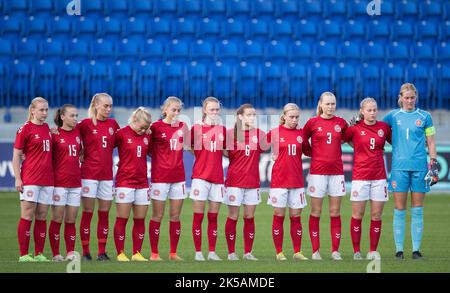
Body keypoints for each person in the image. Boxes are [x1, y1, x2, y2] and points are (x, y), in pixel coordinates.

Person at [383, 83, 438, 260]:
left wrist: (433, 162)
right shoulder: (392, 116)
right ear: (400, 97)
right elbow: (376, 130)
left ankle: (415, 250)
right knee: (399, 209)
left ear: (416, 97)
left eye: (412, 98)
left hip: (420, 168)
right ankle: (399, 250)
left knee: (417, 209)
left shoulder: (425, 117)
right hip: (399, 168)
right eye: (406, 98)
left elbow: (430, 142)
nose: (409, 101)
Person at [344, 98, 392, 260]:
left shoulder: (384, 128)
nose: (372, 113)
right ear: (362, 111)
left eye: (374, 110)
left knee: (376, 215)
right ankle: (356, 251)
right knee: (358, 214)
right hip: (360, 177)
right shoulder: (355, 129)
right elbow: (342, 138)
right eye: (369, 110)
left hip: (379, 177)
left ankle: (372, 250)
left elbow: (396, 143)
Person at [303, 92, 348, 261]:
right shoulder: (312, 123)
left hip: (337, 172)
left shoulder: (341, 123)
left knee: (335, 212)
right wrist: (311, 153)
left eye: (333, 104)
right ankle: (315, 251)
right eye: (327, 104)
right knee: (316, 211)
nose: (330, 107)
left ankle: (335, 251)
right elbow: (302, 140)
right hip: (317, 173)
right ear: (320, 104)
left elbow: (347, 139)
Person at [79, 93, 120, 261]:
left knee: (104, 214)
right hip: (89, 175)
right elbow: (68, 137)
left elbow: (126, 142)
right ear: (96, 105)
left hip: (107, 176)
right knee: (88, 212)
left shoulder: (113, 124)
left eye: (110, 106)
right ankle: (86, 252)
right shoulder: (84, 124)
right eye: (105, 106)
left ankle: (102, 252)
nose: (108, 109)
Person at [223, 103, 267, 261]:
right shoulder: (230, 134)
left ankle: (248, 252)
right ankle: (231, 253)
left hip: (252, 182)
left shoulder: (260, 134)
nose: (252, 117)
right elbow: (222, 151)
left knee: (249, 217)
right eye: (249, 115)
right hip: (234, 181)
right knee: (233, 217)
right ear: (240, 116)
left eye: (254, 115)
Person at [13, 97, 54, 262]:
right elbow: (16, 155)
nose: (44, 113)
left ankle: (39, 253)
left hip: (48, 180)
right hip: (30, 179)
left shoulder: (47, 129)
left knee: (42, 216)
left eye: (46, 110)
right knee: (27, 216)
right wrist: (17, 178)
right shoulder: (25, 129)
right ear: (33, 110)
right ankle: (24, 254)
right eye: (41, 110)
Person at [149, 96, 189, 261]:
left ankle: (173, 253)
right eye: (173, 109)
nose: (176, 113)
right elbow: (148, 149)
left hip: (178, 177)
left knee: (175, 216)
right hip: (160, 177)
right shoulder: (155, 127)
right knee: (157, 216)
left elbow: (190, 146)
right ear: (164, 109)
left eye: (179, 110)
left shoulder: (183, 126)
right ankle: (154, 253)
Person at [267, 103, 309, 261]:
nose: (294, 120)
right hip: (279, 180)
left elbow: (309, 150)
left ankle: (297, 252)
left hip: (297, 180)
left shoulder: (301, 133)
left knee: (296, 216)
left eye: (297, 117)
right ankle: (279, 252)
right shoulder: (275, 133)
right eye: (291, 117)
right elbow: (259, 145)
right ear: (284, 116)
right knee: (279, 214)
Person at [189, 97, 226, 261]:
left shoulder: (223, 130)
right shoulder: (196, 128)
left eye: (217, 109)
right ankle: (198, 252)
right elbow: (190, 147)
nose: (215, 112)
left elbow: (225, 151)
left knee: (213, 217)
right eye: (212, 109)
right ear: (204, 110)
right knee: (198, 216)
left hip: (217, 178)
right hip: (200, 177)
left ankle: (212, 252)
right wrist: (201, 157)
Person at [113, 107, 152, 262]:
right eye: (142, 126)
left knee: (140, 219)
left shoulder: (148, 136)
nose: (144, 130)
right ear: (134, 120)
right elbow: (103, 147)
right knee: (122, 218)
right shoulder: (121, 134)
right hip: (124, 182)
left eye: (146, 127)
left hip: (142, 182)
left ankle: (137, 253)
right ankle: (120, 253)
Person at [48, 104, 82, 262]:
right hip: (59, 184)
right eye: (72, 115)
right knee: (57, 219)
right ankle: (56, 254)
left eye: (76, 116)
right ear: (62, 117)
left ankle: (70, 252)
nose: (75, 118)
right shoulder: (53, 134)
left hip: (76, 183)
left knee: (71, 220)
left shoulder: (78, 132)